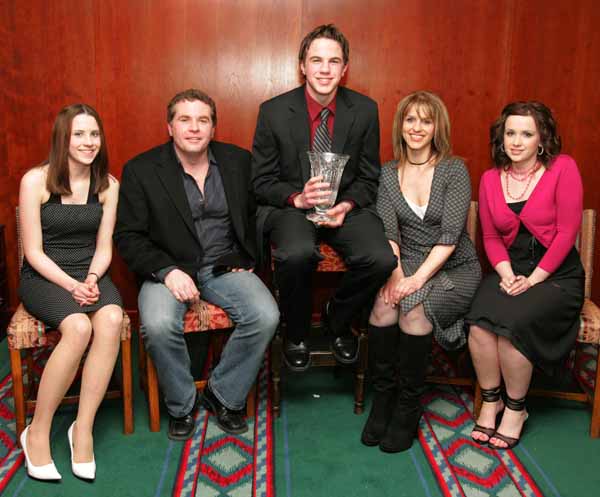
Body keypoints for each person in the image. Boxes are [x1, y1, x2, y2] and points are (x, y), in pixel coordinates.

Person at [114, 89, 279, 441]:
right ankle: (181, 404)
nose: (194, 128)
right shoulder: (141, 170)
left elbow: (257, 215)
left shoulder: (237, 162)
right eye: (184, 120)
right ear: (169, 127)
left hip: (223, 266)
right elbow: (128, 236)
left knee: (266, 315)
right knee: (157, 325)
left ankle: (222, 394)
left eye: (202, 120)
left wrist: (246, 256)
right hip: (168, 269)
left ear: (213, 128)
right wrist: (167, 271)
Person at [251, 24, 396, 370]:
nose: (325, 69)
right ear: (302, 65)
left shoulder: (364, 110)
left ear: (345, 69)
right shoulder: (273, 112)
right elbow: (260, 181)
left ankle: (338, 317)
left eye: (334, 61)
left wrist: (346, 206)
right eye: (317, 60)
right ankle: (296, 333)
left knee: (381, 258)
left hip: (344, 206)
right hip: (293, 209)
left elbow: (368, 176)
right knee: (296, 253)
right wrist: (297, 198)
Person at [364, 91, 481, 453]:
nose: (417, 128)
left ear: (437, 128)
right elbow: (389, 232)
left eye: (426, 121)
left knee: (413, 313)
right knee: (383, 307)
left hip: (453, 265)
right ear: (401, 125)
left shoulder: (453, 169)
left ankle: (408, 407)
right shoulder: (386, 172)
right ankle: (383, 399)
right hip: (408, 260)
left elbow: (449, 237)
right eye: (411, 119)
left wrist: (414, 281)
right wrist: (397, 274)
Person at [466, 101, 584, 449]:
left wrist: (533, 280)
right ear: (501, 138)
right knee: (478, 323)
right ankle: (491, 401)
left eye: (527, 133)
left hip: (556, 275)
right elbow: (490, 237)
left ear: (542, 138)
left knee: (512, 326)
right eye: (510, 133)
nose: (517, 141)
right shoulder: (490, 179)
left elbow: (567, 233)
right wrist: (505, 274)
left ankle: (517, 409)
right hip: (509, 270)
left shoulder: (563, 168)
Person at [18, 104, 123, 481]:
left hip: (88, 272)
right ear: (63, 137)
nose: (88, 142)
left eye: (94, 134)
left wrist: (92, 277)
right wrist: (72, 285)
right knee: (78, 327)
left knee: (111, 319)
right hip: (45, 275)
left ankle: (82, 429)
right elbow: (33, 251)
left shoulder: (109, 185)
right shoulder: (36, 180)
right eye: (79, 134)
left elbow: (104, 246)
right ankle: (38, 431)